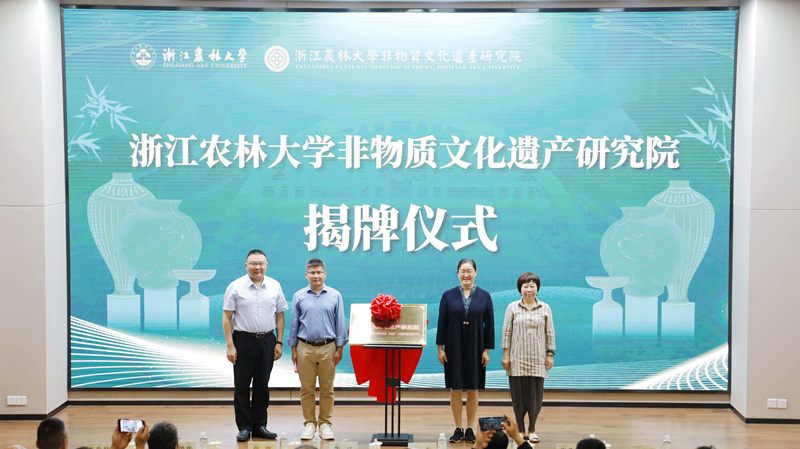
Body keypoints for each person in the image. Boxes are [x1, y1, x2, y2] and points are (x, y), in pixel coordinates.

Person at [223, 249, 289, 442]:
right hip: (243, 341)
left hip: (267, 341)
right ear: (246, 265)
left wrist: (279, 341)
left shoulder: (275, 285)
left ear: (266, 265)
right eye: (253, 263)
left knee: (262, 385)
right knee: (242, 386)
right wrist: (230, 346)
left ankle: (260, 426)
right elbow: (227, 318)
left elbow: (280, 315)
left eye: (261, 263)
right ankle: (244, 427)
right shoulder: (235, 287)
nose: (257, 267)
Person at [436, 258, 495, 443]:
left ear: (476, 273)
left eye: (469, 271)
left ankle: (469, 428)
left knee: (473, 387)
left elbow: (489, 326)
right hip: (453, 346)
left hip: (476, 346)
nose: (466, 274)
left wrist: (487, 350)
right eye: (462, 271)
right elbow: (442, 323)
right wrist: (440, 348)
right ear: (458, 274)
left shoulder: (485, 296)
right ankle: (457, 428)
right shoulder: (448, 295)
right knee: (455, 387)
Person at [288, 258, 347, 441]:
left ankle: (325, 424)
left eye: (319, 272)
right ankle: (309, 423)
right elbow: (294, 324)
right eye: (312, 273)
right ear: (306, 275)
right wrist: (294, 350)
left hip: (328, 347)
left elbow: (340, 323)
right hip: (304, 347)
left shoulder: (335, 295)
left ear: (325, 274)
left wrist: (339, 348)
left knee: (327, 389)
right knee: (306, 389)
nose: (316, 276)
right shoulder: (299, 296)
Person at [501, 272, 555, 444]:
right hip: (516, 358)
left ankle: (532, 429)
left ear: (537, 288)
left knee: (535, 397)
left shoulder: (545, 307)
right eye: (525, 286)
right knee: (518, 397)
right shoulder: (512, 307)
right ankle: (520, 430)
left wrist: (550, 354)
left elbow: (550, 332)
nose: (529, 289)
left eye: (532, 286)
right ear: (520, 289)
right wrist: (505, 353)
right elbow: (506, 332)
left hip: (538, 358)